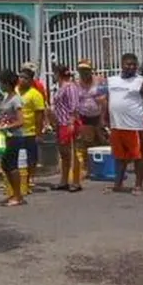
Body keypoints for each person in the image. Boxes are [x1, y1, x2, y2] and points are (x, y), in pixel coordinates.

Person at [105, 53, 143, 196]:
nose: (131, 67)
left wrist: (140, 112)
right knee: (119, 156)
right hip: (117, 125)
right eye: (128, 64)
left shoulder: (141, 82)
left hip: (134, 126)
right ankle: (118, 184)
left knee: (137, 156)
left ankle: (138, 185)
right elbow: (107, 100)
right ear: (122, 64)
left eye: (134, 65)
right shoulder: (112, 80)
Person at [0, 69, 27, 206]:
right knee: (5, 164)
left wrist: (4, 128)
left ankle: (18, 195)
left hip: (15, 136)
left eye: (1, 82)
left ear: (7, 83)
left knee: (12, 165)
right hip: (5, 136)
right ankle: (13, 193)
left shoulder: (16, 99)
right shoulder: (6, 97)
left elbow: (20, 121)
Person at [50, 64, 82, 192]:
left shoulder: (70, 87)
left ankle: (76, 181)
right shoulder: (60, 87)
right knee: (64, 154)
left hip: (68, 123)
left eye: (55, 73)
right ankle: (64, 180)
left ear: (59, 74)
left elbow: (74, 106)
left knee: (72, 152)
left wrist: (72, 123)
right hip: (60, 123)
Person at [75, 59, 108, 179]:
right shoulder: (77, 83)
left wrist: (103, 118)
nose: (84, 73)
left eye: (86, 70)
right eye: (81, 70)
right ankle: (87, 168)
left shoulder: (100, 81)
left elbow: (105, 99)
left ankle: (102, 167)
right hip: (84, 116)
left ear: (91, 70)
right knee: (86, 142)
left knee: (101, 141)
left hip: (98, 115)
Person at [16, 68, 45, 189]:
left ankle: (29, 179)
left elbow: (39, 116)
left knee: (31, 158)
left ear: (31, 80)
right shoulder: (14, 91)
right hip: (16, 132)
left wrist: (38, 134)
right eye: (20, 77)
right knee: (16, 157)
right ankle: (18, 180)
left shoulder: (35, 95)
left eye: (25, 78)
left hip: (30, 131)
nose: (21, 80)